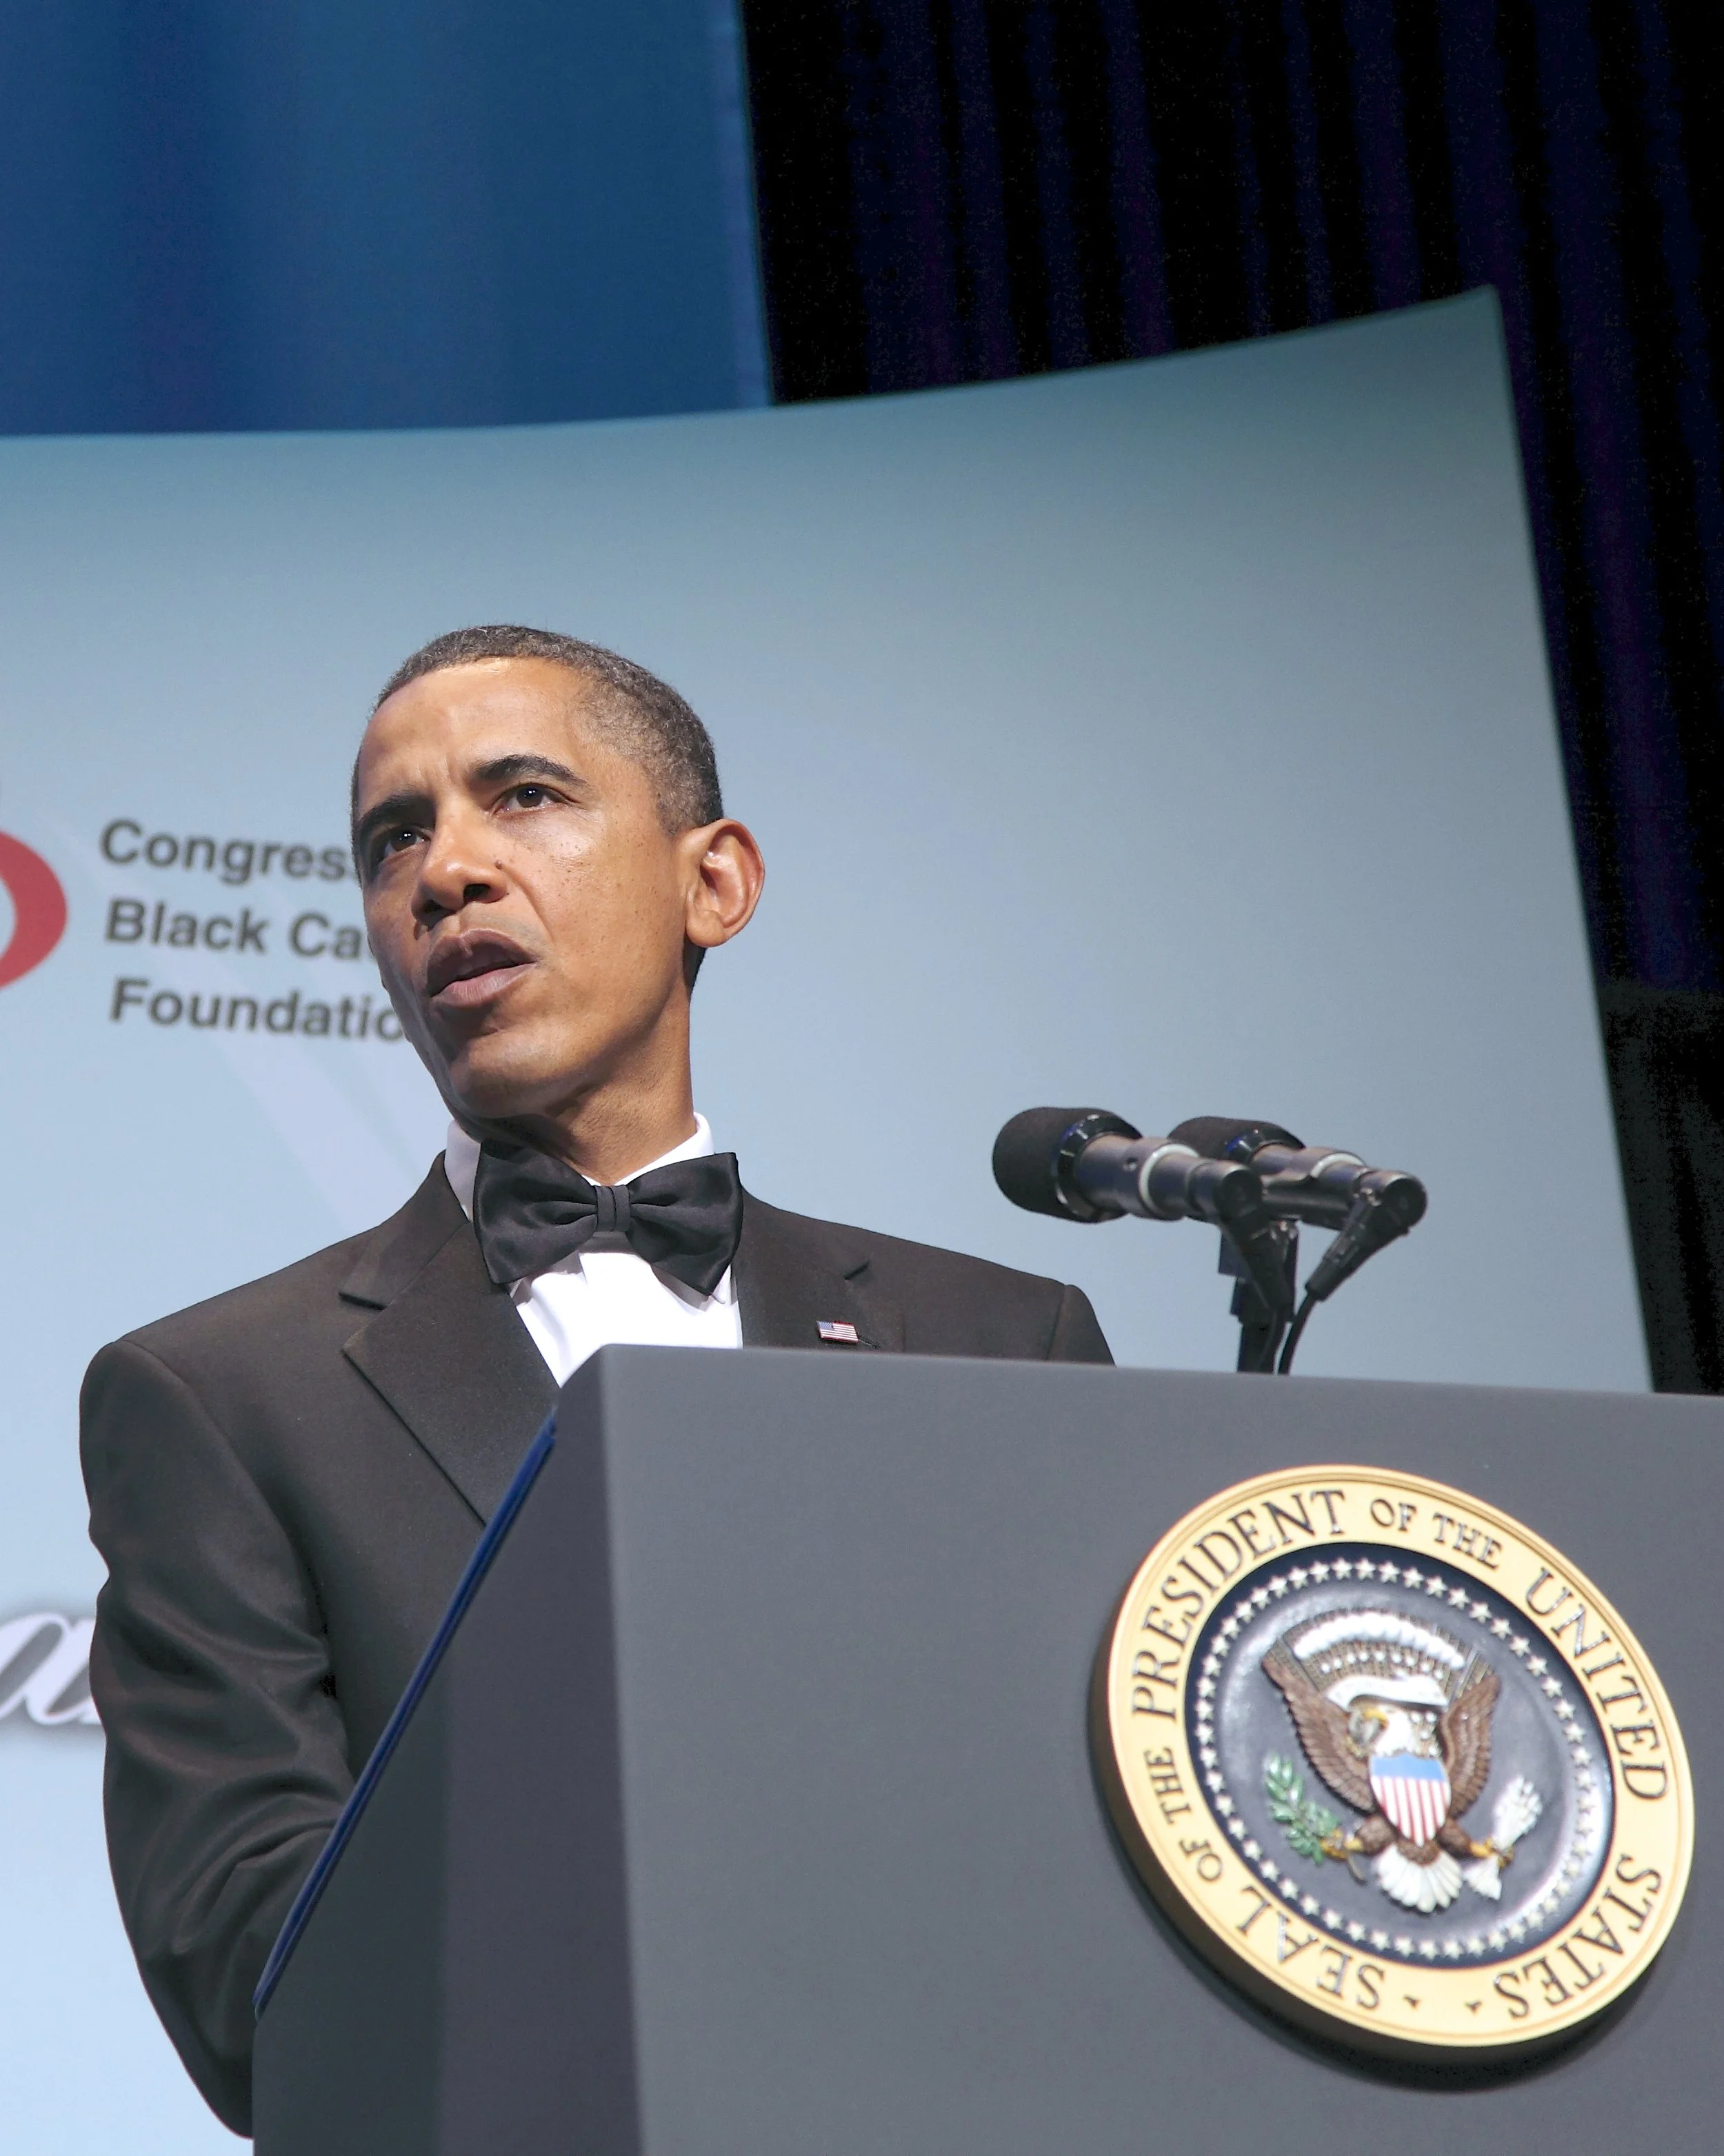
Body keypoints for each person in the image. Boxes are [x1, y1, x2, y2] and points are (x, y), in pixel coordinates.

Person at [81, 624, 1111, 2133]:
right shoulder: (218, 1398)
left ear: (716, 882)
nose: (446, 873)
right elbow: (258, 1988)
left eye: (524, 797)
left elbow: (1096, 1871)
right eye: (394, 839)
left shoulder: (1000, 1342)